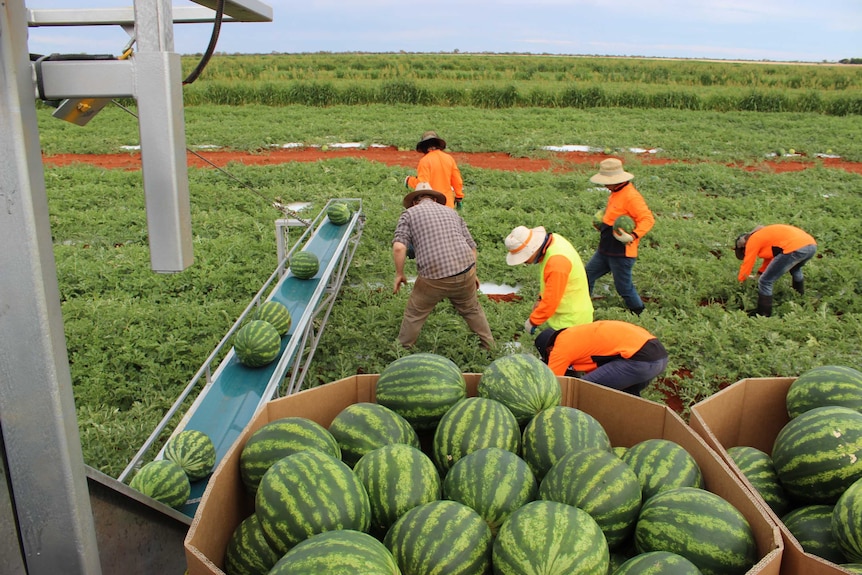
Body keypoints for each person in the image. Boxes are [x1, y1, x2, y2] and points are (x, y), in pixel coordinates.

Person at [392, 182, 495, 349]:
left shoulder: (409, 214)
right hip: (466, 270)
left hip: (434, 276)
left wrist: (399, 274)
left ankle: (401, 351)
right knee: (471, 309)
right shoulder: (452, 212)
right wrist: (473, 273)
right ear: (434, 199)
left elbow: (399, 247)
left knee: (415, 314)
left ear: (414, 202)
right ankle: (490, 347)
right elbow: (472, 247)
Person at [585, 158, 655, 315]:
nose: (604, 185)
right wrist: (602, 223)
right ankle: (584, 307)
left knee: (624, 287)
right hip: (605, 250)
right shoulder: (615, 193)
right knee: (586, 275)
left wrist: (634, 235)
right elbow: (615, 215)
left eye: (606, 182)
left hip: (621, 253)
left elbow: (648, 219)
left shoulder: (631, 196)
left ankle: (640, 313)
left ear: (616, 180)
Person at [534, 320, 669, 396]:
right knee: (628, 395)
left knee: (581, 391)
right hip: (659, 357)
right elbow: (602, 373)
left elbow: (553, 384)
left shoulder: (559, 348)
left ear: (549, 349)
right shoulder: (576, 335)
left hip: (639, 360)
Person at [504, 225, 593, 335]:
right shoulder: (554, 241)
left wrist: (533, 321)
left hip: (571, 320)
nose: (524, 262)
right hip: (567, 313)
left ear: (532, 249)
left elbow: (552, 300)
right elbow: (551, 283)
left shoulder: (557, 262)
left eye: (524, 258)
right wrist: (541, 299)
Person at [734, 224, 817, 317]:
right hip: (810, 245)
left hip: (794, 248)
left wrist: (741, 281)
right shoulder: (764, 235)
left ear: (743, 246)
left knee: (765, 281)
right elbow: (770, 260)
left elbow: (748, 262)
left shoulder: (752, 240)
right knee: (795, 269)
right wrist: (759, 274)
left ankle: (763, 316)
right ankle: (799, 298)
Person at [404, 131, 464, 210]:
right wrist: (459, 196)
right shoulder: (449, 158)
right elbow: (457, 180)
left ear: (424, 147)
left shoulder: (425, 160)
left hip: (432, 204)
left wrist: (409, 180)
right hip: (448, 204)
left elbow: (422, 185)